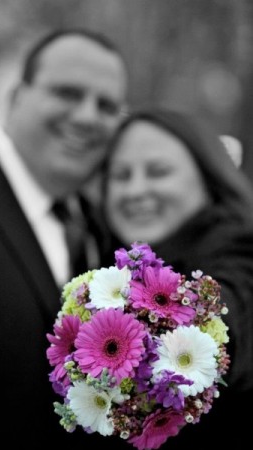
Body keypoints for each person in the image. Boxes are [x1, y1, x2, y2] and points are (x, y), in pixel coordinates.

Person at [0, 29, 128, 448]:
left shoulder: (104, 228)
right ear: (17, 98)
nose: (87, 116)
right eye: (67, 93)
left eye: (106, 106)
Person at [101, 109, 253, 449]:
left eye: (158, 172)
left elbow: (232, 307)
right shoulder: (106, 263)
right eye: (121, 175)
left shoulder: (241, 249)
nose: (136, 190)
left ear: (208, 177)